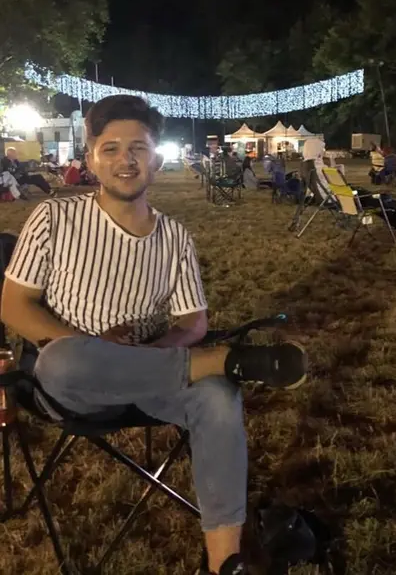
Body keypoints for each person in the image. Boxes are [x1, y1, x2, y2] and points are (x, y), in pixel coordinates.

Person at [0, 95, 307, 575]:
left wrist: (155, 352)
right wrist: (90, 345)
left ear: (156, 160)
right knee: (61, 359)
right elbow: (13, 305)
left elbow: (193, 323)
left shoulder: (174, 237)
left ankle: (224, 563)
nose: (126, 160)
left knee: (217, 397)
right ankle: (222, 360)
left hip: (155, 376)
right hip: (74, 384)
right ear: (91, 160)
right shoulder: (54, 218)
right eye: (111, 148)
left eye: (138, 148)